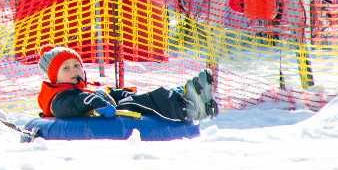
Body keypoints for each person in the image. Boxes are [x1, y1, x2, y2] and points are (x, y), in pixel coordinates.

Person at [37, 47, 218, 123]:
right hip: (103, 117)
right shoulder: (57, 97)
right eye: (66, 68)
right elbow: (67, 106)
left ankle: (187, 94)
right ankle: (187, 107)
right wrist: (91, 101)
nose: (74, 70)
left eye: (77, 65)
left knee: (143, 98)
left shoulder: (83, 87)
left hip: (112, 109)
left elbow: (105, 94)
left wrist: (117, 93)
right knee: (140, 104)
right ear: (55, 77)